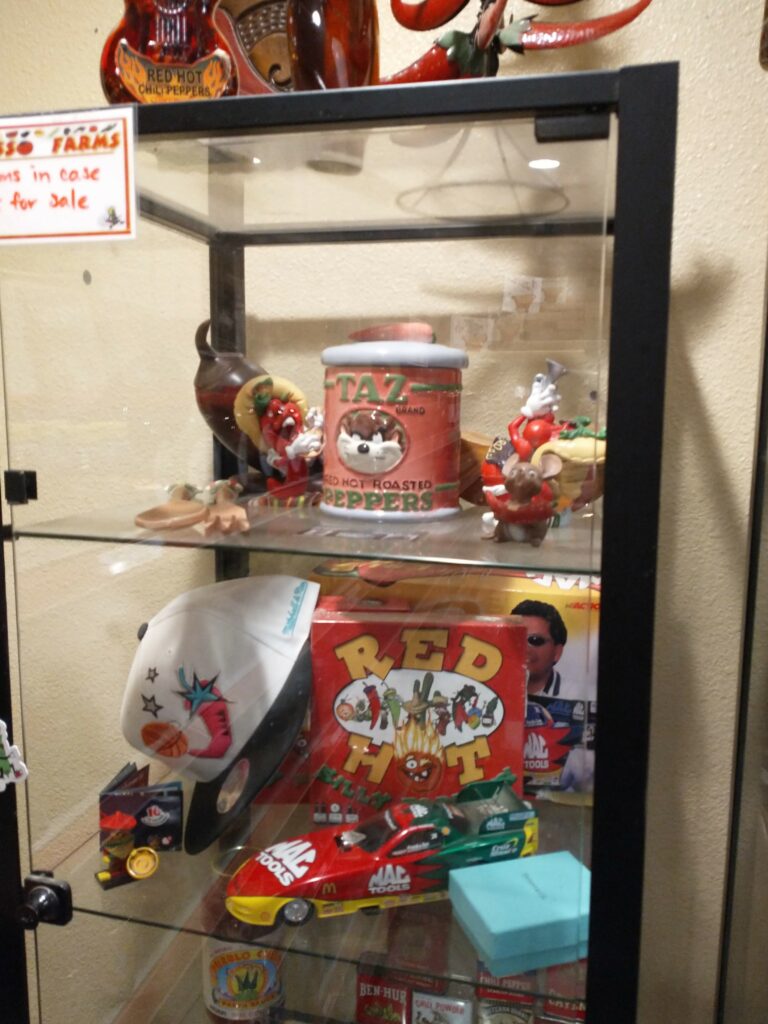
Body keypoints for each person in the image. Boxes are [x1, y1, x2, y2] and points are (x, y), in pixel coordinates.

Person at [511, 599, 568, 696]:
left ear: (557, 652)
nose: (524, 648)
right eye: (517, 638)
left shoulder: (580, 695)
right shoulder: (490, 687)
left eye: (535, 640)